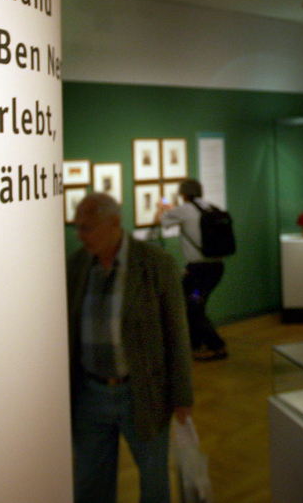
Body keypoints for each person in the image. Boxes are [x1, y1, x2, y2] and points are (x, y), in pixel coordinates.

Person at [67, 193, 193, 503]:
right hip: (90, 395)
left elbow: (177, 334)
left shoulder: (156, 263)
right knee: (89, 485)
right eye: (78, 228)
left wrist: (182, 397)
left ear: (113, 224)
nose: (81, 236)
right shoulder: (77, 264)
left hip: (142, 393)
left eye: (88, 228)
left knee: (154, 485)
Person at [157, 179, 228, 361]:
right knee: (194, 304)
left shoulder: (184, 210)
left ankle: (217, 345)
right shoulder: (211, 207)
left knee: (192, 306)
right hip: (215, 269)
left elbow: (161, 221)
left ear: (184, 194)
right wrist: (173, 209)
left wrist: (160, 207)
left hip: (199, 273)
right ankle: (195, 344)